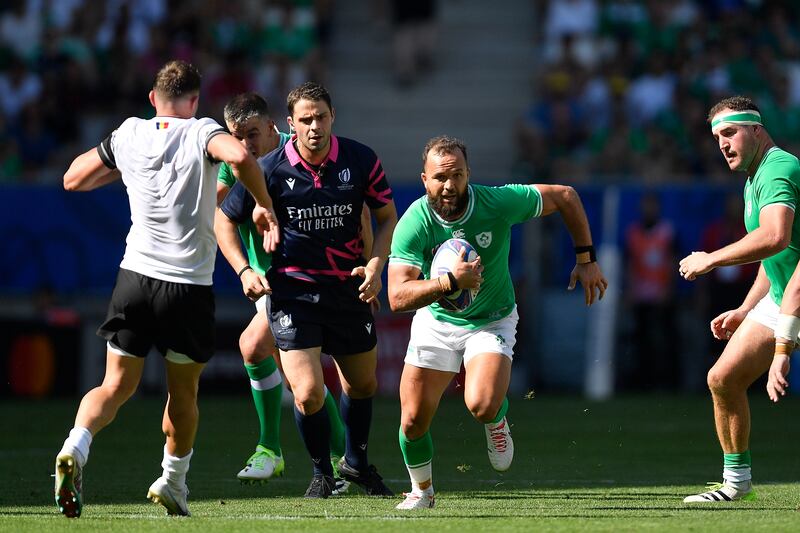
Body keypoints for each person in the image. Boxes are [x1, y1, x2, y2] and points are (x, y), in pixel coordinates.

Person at [54, 60, 278, 518]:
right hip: (187, 287)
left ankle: (75, 447)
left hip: (133, 277)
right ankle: (173, 481)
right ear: (194, 101)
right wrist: (265, 205)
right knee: (183, 395)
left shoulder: (130, 132)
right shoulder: (201, 131)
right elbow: (238, 157)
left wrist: (130, 168)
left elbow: (72, 179)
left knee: (114, 386)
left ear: (153, 98)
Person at [387, 135, 608, 510]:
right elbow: (396, 297)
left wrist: (586, 259)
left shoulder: (497, 202)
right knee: (411, 421)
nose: (449, 185)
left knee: (483, 404)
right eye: (440, 177)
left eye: (457, 175)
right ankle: (422, 492)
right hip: (437, 321)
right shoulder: (414, 222)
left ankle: (498, 422)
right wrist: (450, 282)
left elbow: (566, 195)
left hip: (491, 320)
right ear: (424, 179)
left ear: (468, 173)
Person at [220, 81, 397, 499]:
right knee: (308, 393)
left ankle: (356, 464)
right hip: (293, 295)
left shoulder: (361, 159)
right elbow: (224, 219)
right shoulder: (267, 168)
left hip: (348, 291)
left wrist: (376, 265)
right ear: (290, 124)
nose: (314, 126)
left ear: (332, 116)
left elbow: (386, 216)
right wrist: (244, 270)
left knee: (362, 386)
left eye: (320, 117)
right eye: (305, 119)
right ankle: (321, 472)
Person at [678, 95, 800, 503]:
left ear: (756, 130)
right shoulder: (755, 177)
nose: (723, 144)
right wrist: (747, 309)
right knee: (723, 379)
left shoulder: (779, 166)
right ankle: (735, 483)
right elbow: (777, 255)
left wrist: (710, 259)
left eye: (730, 133)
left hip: (796, 295)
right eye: (717, 137)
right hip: (785, 295)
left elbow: (774, 237)